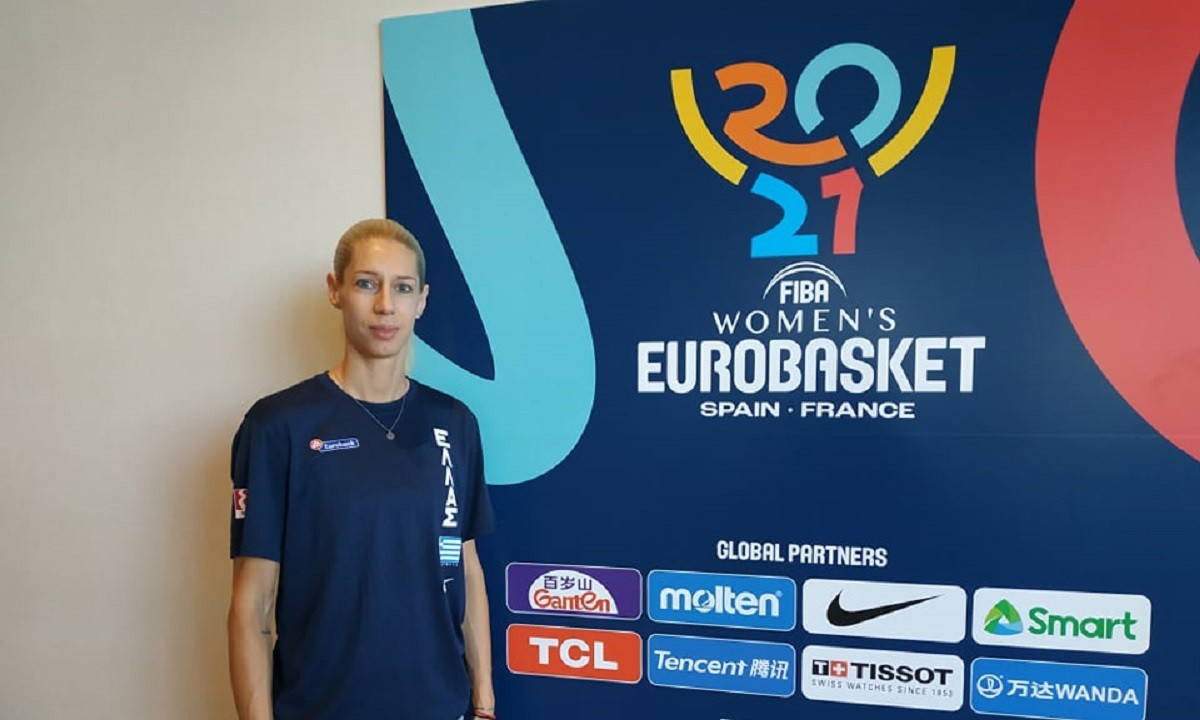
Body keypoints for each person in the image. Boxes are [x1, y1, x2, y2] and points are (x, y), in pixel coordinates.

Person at [227, 218, 497, 720]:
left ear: (421, 300)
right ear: (336, 290)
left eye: (403, 288)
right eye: (367, 284)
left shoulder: (454, 423)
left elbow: (467, 568)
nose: (385, 305)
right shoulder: (277, 426)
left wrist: (483, 702)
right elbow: (251, 606)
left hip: (441, 707)